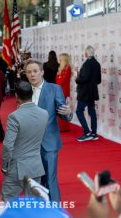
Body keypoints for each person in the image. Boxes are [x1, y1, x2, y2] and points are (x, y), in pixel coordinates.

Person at [24, 59, 73, 202]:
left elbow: (63, 115)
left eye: (35, 71)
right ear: (26, 74)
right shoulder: (23, 90)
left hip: (49, 143)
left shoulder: (54, 89)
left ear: (42, 72)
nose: (32, 75)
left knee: (51, 181)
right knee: (32, 183)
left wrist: (68, 112)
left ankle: (55, 212)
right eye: (29, 72)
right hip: (29, 145)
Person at [1, 81, 49, 201]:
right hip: (35, 167)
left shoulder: (14, 116)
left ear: (16, 95)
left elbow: (8, 145)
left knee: (8, 206)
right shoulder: (44, 114)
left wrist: (5, 165)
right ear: (31, 93)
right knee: (33, 206)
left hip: (16, 169)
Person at [75, 45, 101, 142]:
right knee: (91, 111)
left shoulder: (87, 64)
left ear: (86, 53)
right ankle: (94, 133)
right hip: (93, 92)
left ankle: (87, 133)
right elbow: (99, 80)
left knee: (79, 111)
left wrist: (77, 79)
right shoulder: (97, 64)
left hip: (85, 92)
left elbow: (84, 79)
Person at [56, 53, 72, 132]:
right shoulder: (61, 69)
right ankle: (61, 126)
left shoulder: (67, 68)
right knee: (60, 108)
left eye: (60, 59)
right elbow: (57, 80)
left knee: (63, 109)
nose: (59, 60)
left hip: (64, 91)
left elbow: (61, 80)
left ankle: (64, 127)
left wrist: (59, 77)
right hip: (60, 91)